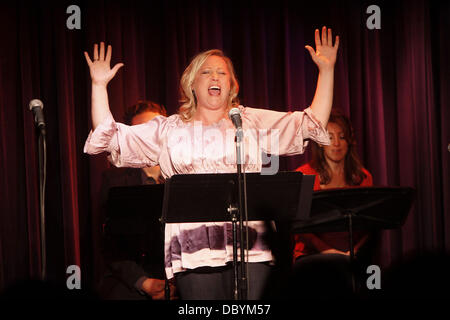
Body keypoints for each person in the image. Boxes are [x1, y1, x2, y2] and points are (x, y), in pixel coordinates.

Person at [83, 26, 339, 299]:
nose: (214, 76)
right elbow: (110, 137)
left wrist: (327, 71)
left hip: (251, 248)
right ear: (191, 84)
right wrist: (99, 86)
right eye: (206, 72)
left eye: (222, 72)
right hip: (196, 253)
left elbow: (310, 124)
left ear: (232, 85)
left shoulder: (250, 122)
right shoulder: (168, 130)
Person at [291, 109, 374, 298]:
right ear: (320, 143)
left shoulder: (363, 176)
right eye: (329, 137)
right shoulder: (304, 175)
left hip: (354, 255)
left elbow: (370, 224)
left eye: (342, 137)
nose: (336, 144)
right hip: (312, 255)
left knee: (373, 275)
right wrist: (330, 251)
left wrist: (353, 251)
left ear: (350, 142)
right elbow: (300, 228)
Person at [98, 101, 176, 300]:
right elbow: (110, 245)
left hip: (180, 276)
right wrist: (143, 282)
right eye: (140, 131)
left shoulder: (185, 174)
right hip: (133, 276)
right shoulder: (114, 181)